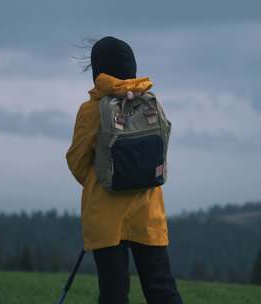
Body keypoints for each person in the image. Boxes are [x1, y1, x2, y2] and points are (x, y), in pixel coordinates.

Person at [66, 36, 183, 304]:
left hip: (105, 216)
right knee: (161, 288)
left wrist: (102, 180)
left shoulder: (91, 110)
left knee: (114, 294)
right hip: (148, 211)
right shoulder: (149, 102)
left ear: (98, 71)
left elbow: (76, 160)